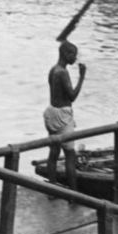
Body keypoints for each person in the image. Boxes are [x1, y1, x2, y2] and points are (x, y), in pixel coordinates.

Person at [43, 40, 86, 191]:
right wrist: (82, 77)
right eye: (73, 55)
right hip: (62, 115)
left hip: (51, 112)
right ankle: (73, 194)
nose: (75, 58)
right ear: (65, 54)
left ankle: (52, 190)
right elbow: (72, 96)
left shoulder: (52, 70)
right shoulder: (62, 72)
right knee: (69, 154)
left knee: (53, 152)